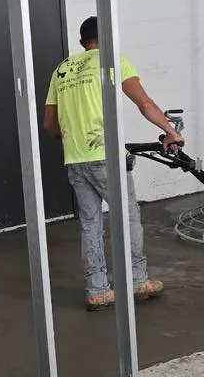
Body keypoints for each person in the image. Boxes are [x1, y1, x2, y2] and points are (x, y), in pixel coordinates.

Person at [44, 16, 182, 310]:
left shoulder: (62, 69)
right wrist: (171, 132)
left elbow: (50, 125)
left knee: (90, 223)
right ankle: (136, 280)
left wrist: (73, 141)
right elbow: (144, 103)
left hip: (75, 159)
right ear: (107, 37)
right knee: (127, 217)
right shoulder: (113, 60)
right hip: (105, 157)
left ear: (82, 42)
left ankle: (97, 290)